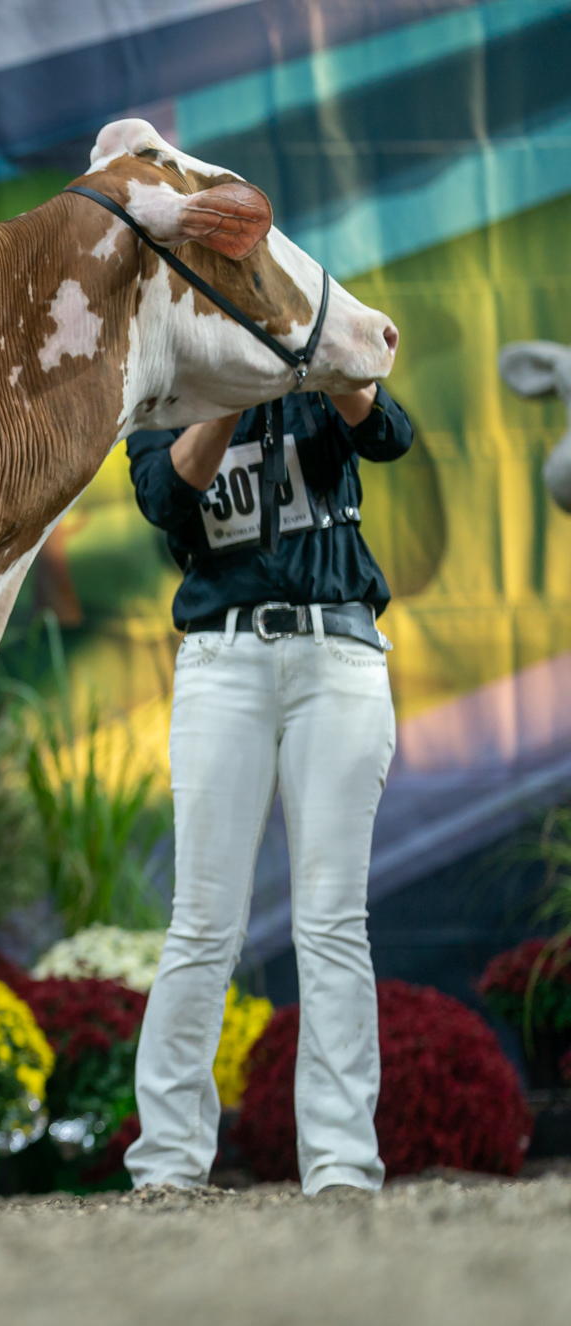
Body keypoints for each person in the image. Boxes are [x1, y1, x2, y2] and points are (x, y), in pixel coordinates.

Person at [123, 380, 414, 1198]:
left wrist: (328, 367)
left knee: (332, 920)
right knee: (202, 922)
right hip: (223, 655)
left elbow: (390, 434)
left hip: (339, 650)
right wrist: (236, 387)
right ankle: (167, 1165)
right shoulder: (175, 384)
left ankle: (342, 1163)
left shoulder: (316, 358)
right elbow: (164, 497)